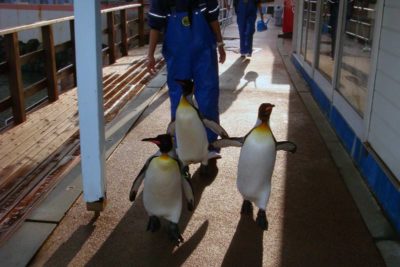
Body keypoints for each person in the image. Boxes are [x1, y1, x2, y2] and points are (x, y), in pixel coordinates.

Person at [146, 0, 226, 161]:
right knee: (179, 100)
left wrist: (220, 43)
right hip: (178, 54)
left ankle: (210, 145)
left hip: (204, 52)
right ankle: (180, 145)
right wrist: (150, 54)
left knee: (208, 96)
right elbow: (155, 25)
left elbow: (213, 18)